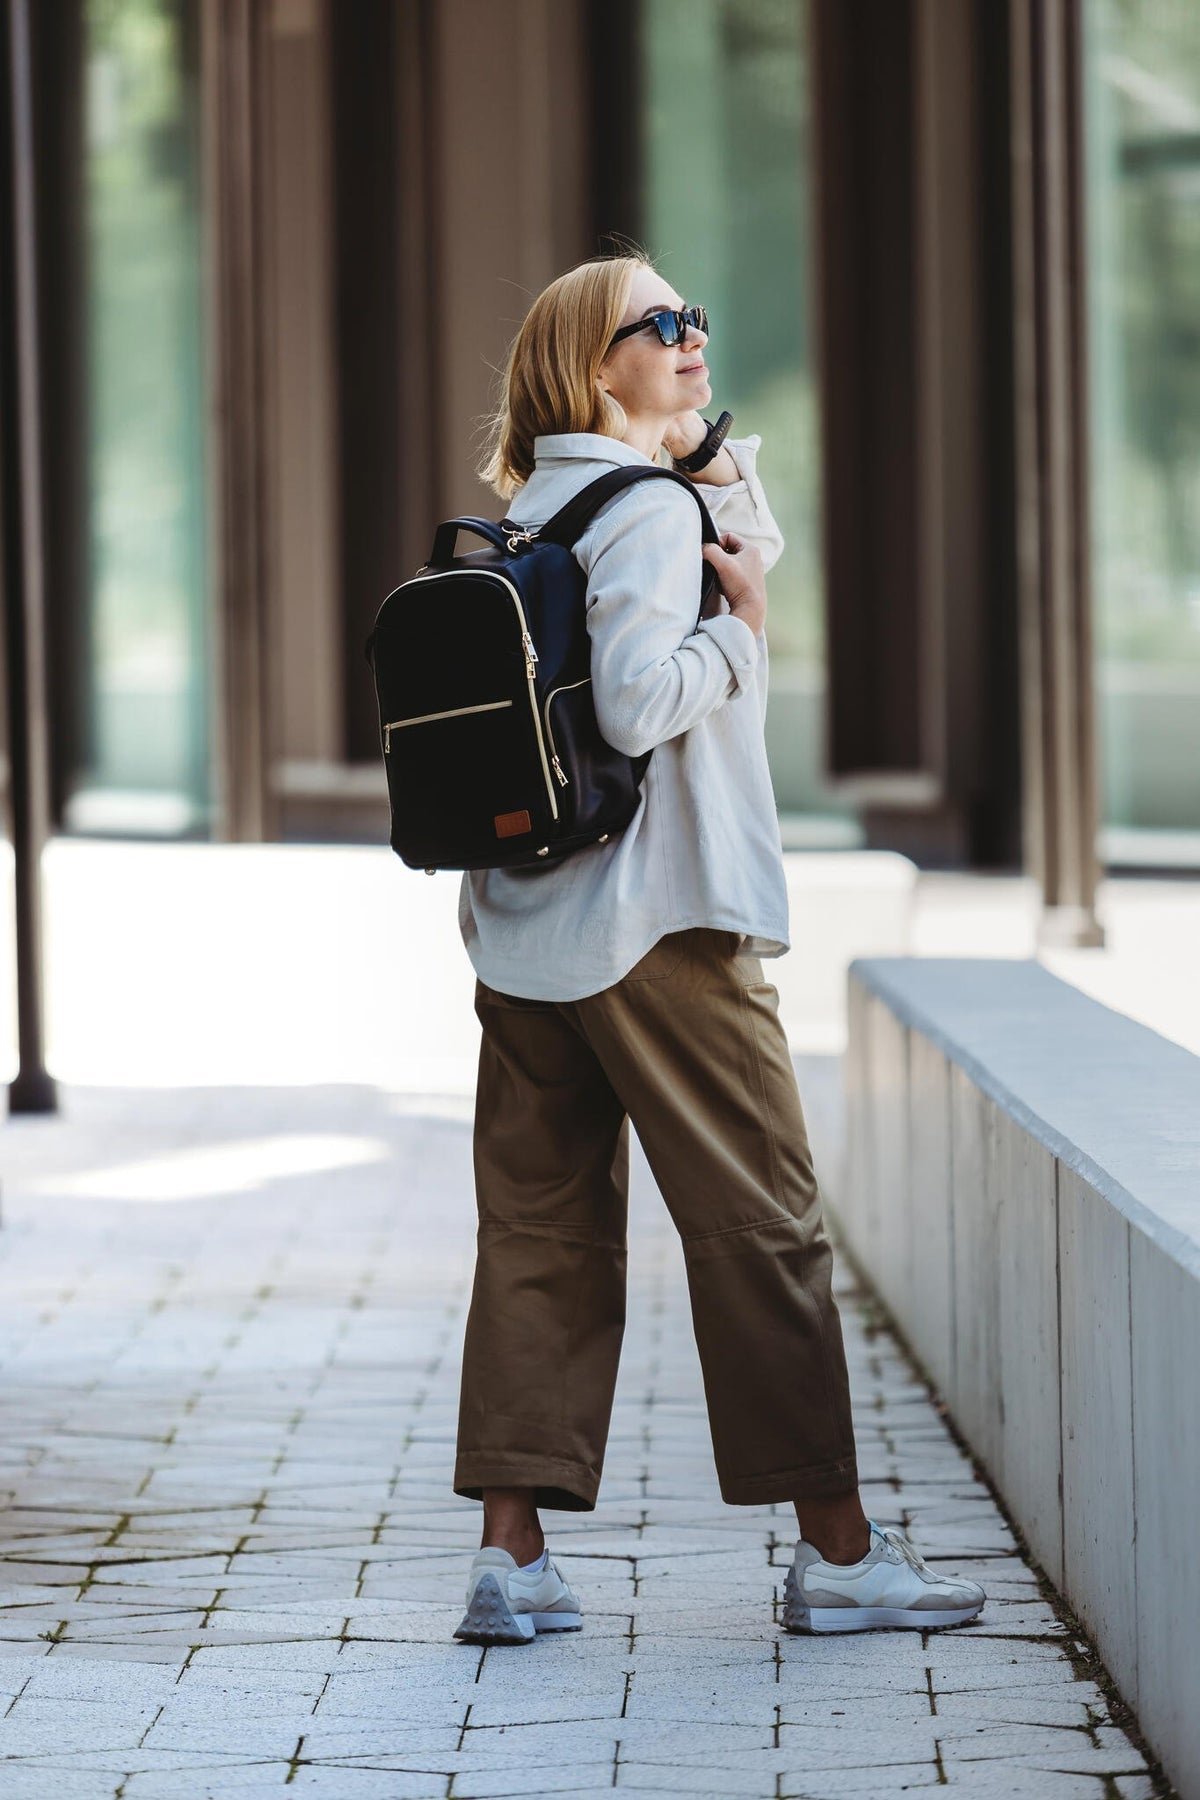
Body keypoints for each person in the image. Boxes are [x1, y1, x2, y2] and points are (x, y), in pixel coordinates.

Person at [450, 251, 985, 1645]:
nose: (694, 335)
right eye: (662, 323)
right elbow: (637, 706)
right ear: (595, 361)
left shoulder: (541, 505)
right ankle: (841, 1553)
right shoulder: (640, 515)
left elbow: (744, 538)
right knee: (763, 1227)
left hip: (526, 937)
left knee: (539, 1237)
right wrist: (742, 637)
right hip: (661, 926)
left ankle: (510, 1559)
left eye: (695, 316)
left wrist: (703, 457)